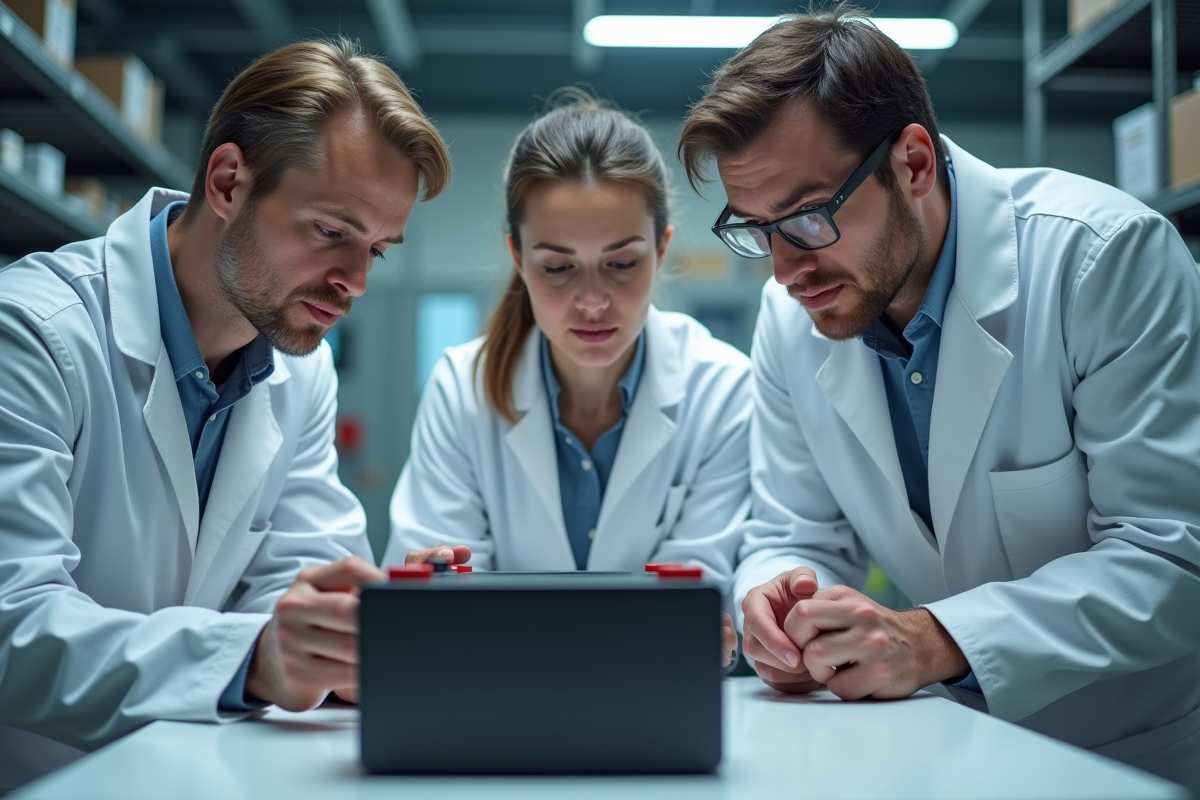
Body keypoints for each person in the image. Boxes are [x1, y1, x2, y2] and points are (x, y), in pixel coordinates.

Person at [677, 6, 1200, 792]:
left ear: (913, 164)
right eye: (757, 229)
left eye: (810, 218)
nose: (784, 272)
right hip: (937, 746)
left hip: (1126, 753)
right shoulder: (792, 319)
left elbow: (1170, 554)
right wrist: (777, 605)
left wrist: (933, 639)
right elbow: (795, 531)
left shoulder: (1102, 260)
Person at [0, 38, 451, 790]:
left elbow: (300, 576)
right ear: (229, 181)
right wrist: (258, 659)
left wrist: (361, 631)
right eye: (331, 233)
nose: (356, 282)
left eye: (378, 248)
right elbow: (14, 626)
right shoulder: (34, 334)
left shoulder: (300, 367)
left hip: (202, 773)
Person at [382, 98, 750, 664]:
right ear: (519, 258)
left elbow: (695, 608)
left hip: (652, 712)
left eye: (622, 263)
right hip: (495, 715)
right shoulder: (462, 388)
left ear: (661, 249)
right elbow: (435, 607)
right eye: (557, 267)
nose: (593, 301)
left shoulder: (722, 389)